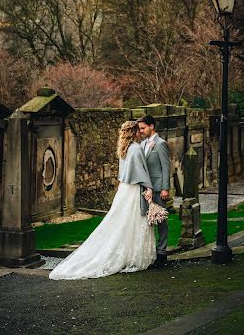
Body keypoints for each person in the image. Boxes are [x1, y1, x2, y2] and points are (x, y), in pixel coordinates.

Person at [49, 120, 156, 280]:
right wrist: (149, 187)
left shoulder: (123, 149)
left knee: (120, 221)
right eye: (138, 131)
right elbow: (140, 171)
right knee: (133, 221)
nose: (141, 133)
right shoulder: (136, 149)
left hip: (124, 189)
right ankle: (131, 256)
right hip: (133, 190)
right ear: (134, 132)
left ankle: (122, 253)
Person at [138, 115, 170, 268]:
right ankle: (150, 251)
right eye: (140, 129)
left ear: (152, 126)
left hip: (158, 188)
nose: (141, 131)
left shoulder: (161, 144)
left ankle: (162, 252)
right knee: (147, 219)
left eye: (143, 128)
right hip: (146, 189)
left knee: (161, 220)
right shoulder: (143, 144)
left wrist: (165, 188)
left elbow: (166, 167)